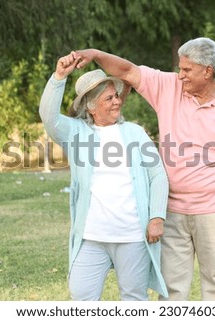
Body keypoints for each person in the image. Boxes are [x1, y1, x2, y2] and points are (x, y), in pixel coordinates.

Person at [74, 36, 215, 301]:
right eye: (179, 68)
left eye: (187, 70)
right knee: (171, 290)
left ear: (207, 71)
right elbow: (127, 71)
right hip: (172, 212)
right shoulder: (169, 87)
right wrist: (94, 54)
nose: (180, 75)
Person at [39, 52, 169, 301]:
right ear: (91, 106)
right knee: (81, 296)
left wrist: (156, 216)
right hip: (91, 237)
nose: (117, 102)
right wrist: (58, 77)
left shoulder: (135, 133)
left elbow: (157, 176)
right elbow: (49, 117)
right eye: (109, 98)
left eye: (117, 96)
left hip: (132, 235)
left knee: (134, 299)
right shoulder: (76, 134)